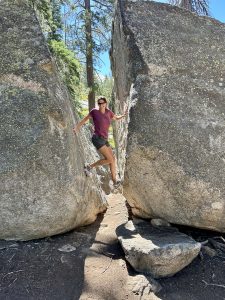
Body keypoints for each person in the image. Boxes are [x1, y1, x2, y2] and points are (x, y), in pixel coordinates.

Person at [73, 96, 127, 189]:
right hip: (97, 138)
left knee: (113, 159)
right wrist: (77, 127)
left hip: (105, 139)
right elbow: (85, 119)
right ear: (98, 104)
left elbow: (116, 118)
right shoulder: (94, 111)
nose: (101, 105)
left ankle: (115, 181)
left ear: (106, 103)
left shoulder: (109, 112)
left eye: (103, 103)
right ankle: (89, 167)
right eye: (99, 103)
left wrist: (122, 116)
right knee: (110, 160)